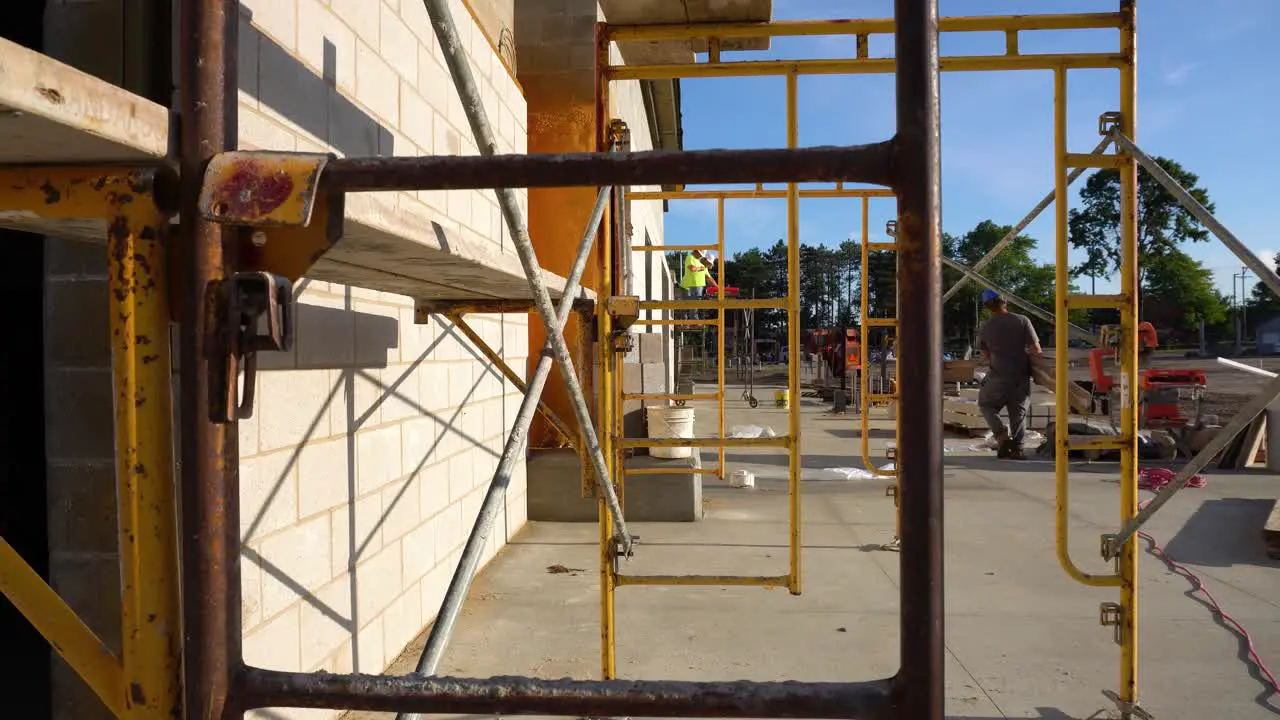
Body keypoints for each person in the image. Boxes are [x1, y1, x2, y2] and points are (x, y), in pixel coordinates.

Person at [977, 288, 1042, 459]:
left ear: (987, 306)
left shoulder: (985, 326)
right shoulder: (1022, 320)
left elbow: (985, 355)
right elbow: (1036, 349)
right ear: (1005, 302)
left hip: (998, 375)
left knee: (986, 404)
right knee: (1018, 413)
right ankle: (1018, 449)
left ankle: (1002, 437)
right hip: (1020, 376)